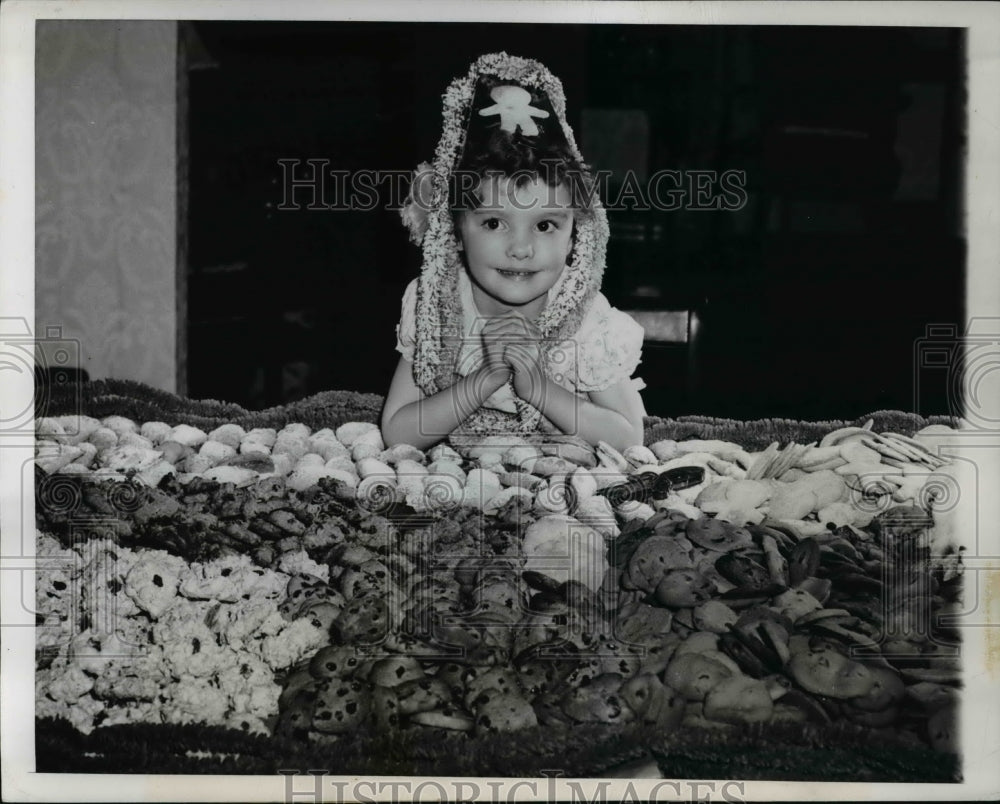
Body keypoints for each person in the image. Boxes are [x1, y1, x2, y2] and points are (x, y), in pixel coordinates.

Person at [382, 53, 646, 451]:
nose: (521, 249)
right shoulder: (436, 305)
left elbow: (630, 438)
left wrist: (539, 387)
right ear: (453, 230)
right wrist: (482, 379)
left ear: (576, 236)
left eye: (545, 225)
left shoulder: (585, 322)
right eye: (493, 223)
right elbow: (397, 432)